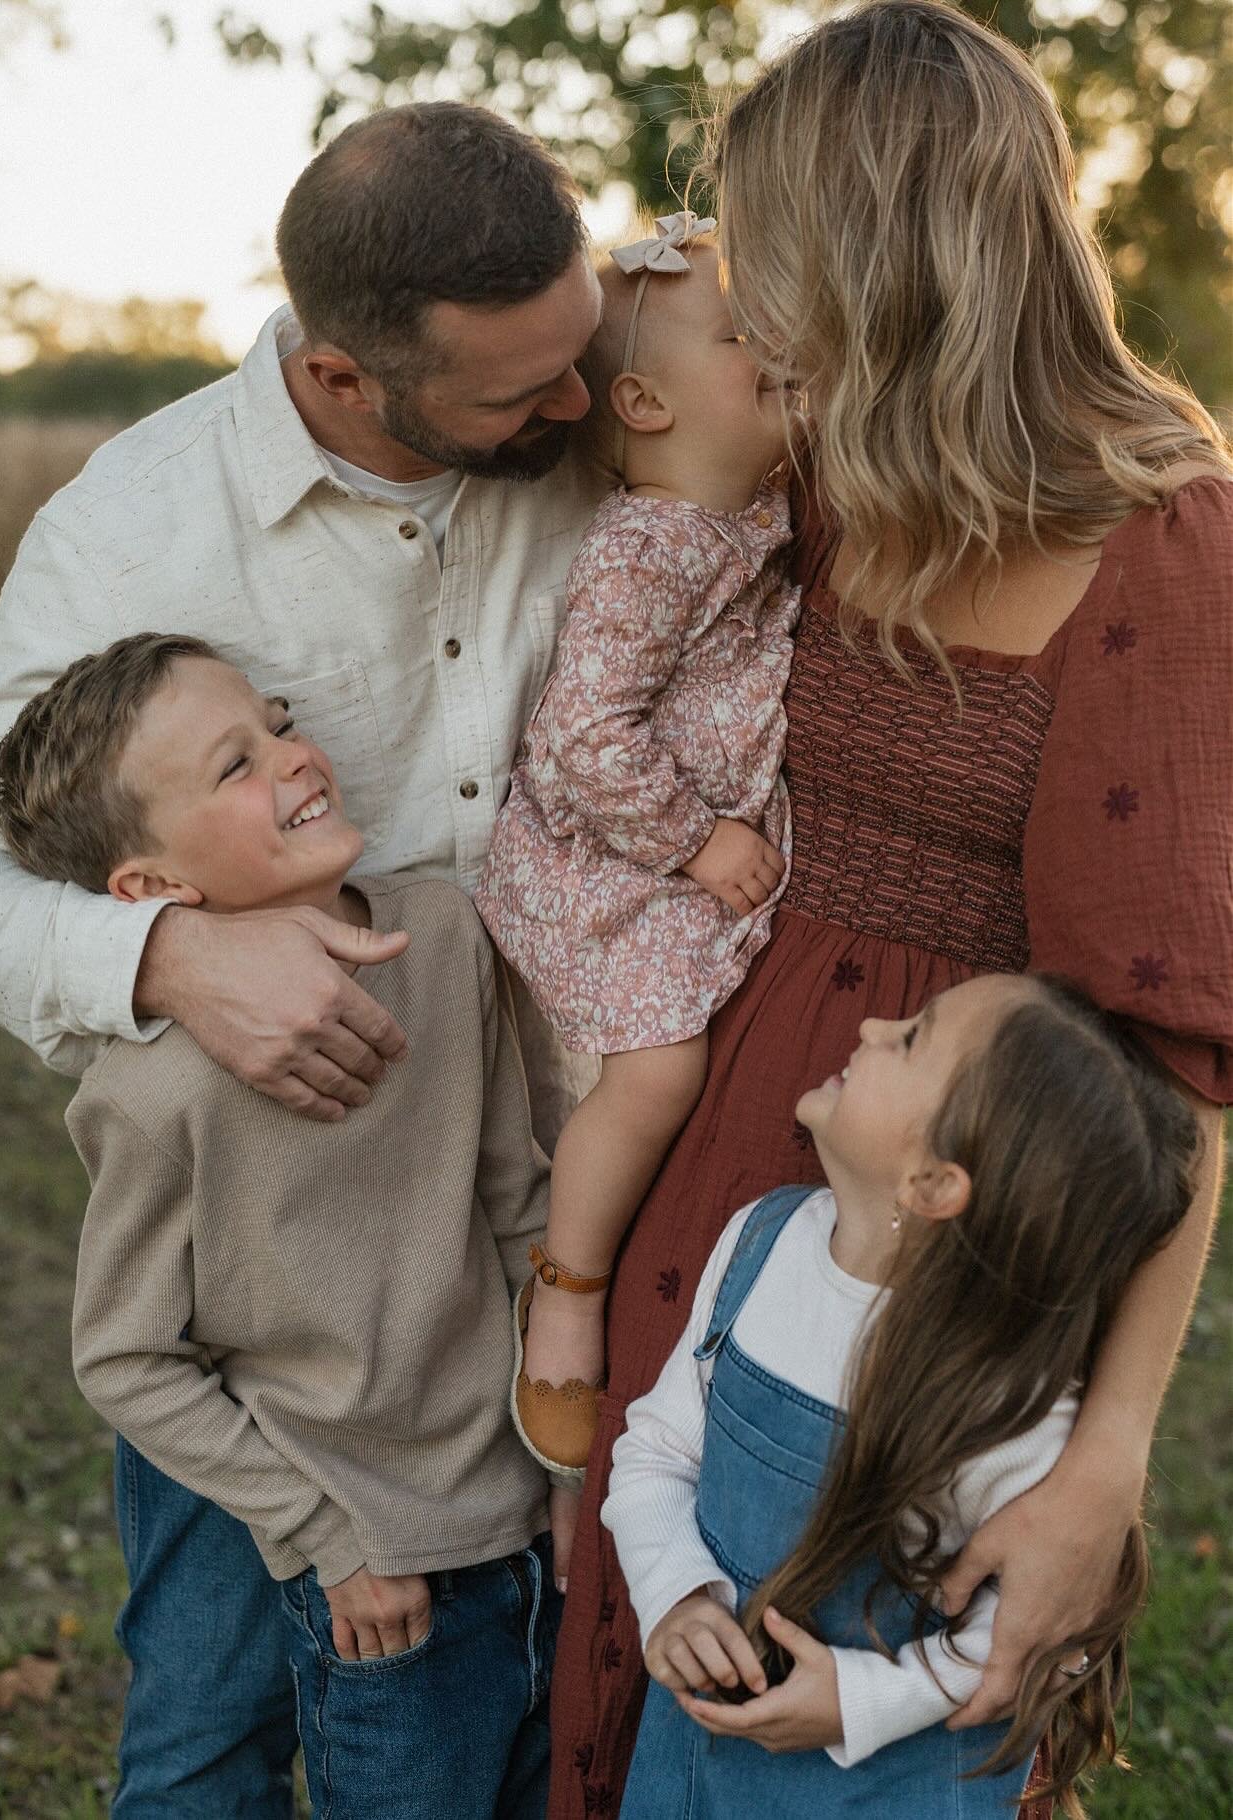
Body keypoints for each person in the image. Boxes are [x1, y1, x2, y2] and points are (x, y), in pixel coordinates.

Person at [547, 8, 1233, 1816]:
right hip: (725, 1134)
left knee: (879, 1720)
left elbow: (1177, 1068)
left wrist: (1104, 1459)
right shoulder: (825, 464)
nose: (749, 292)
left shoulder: (1160, 543)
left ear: (882, 254)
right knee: (657, 1645)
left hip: (936, 1221)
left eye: (774, 241)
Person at [0, 103, 602, 1818]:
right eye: (519, 392)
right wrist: (171, 958)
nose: (580, 406)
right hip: (265, 1287)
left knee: (507, 1719)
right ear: (346, 378)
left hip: (526, 1231)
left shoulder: (592, 401)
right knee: (204, 1735)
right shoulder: (136, 527)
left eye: (581, 353)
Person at [0, 632, 561, 1820]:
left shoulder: (445, 936)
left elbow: (517, 1205)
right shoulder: (158, 1092)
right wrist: (329, 1541)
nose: (294, 758)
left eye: (279, 723)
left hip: (520, 1524)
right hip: (373, 1574)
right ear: (151, 888)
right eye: (235, 764)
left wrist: (560, 1460)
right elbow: (125, 1356)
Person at [602, 974, 1198, 1818]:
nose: (873, 1024)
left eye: (911, 1038)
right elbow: (656, 1452)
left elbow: (1039, 1632)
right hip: (699, 1766)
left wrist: (859, 1700)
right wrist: (678, 1596)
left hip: (889, 1789)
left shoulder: (997, 1396)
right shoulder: (759, 1245)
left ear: (932, 1184)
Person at [475, 213, 798, 1481]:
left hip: (672, 860)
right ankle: (567, 1285)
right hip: (604, 861)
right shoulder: (647, 547)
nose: (783, 345)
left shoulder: (749, 511)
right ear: (647, 404)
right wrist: (698, 841)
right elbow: (579, 738)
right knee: (661, 1072)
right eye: (744, 334)